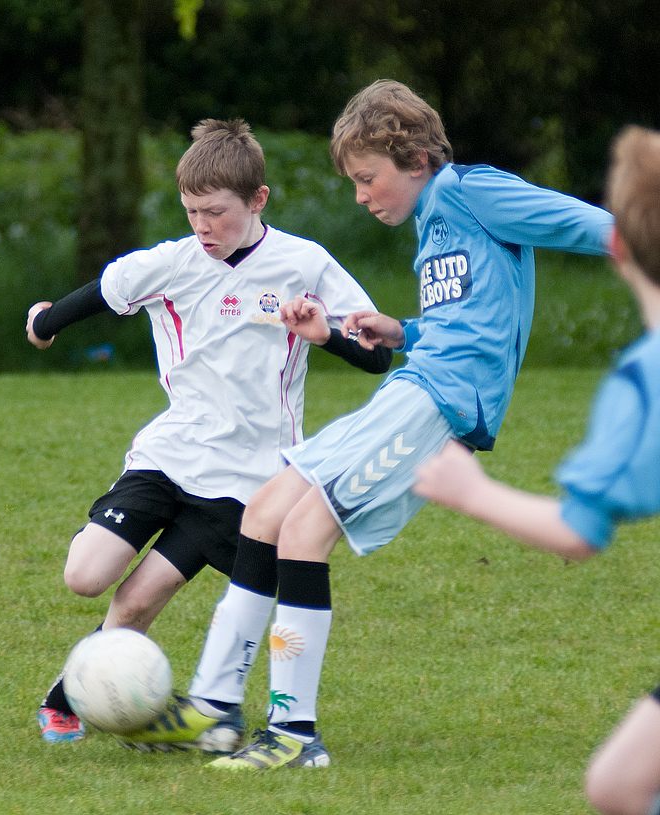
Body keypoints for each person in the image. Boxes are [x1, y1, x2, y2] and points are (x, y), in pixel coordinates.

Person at [116, 79, 614, 769]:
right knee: (266, 510)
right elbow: (470, 321)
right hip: (416, 384)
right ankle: (217, 706)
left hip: (438, 401)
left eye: (366, 177)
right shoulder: (438, 217)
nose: (360, 194)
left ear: (414, 158)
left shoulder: (473, 190)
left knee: (303, 528)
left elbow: (591, 225)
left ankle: (293, 732)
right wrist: (401, 328)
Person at [26, 118, 391, 745]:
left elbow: (375, 352)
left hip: (246, 481)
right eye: (192, 211)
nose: (203, 227)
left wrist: (327, 335)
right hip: (168, 456)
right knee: (85, 575)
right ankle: (103, 683)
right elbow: (106, 291)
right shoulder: (174, 263)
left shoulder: (304, 264)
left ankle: (76, 694)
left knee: (139, 599)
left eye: (217, 213)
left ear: (258, 200)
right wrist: (46, 322)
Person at [415, 125, 660, 815]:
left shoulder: (644, 380)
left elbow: (580, 530)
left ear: (621, 252)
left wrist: (474, 492)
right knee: (618, 782)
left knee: (616, 784)